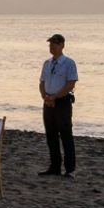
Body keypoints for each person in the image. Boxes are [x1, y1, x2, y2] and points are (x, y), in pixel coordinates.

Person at [38, 33, 78, 178]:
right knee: (51, 135)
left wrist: (56, 96)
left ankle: (70, 169)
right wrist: (45, 96)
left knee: (66, 135)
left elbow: (71, 83)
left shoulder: (68, 63)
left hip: (62, 102)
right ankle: (54, 166)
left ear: (62, 45)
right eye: (50, 44)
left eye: (55, 44)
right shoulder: (47, 63)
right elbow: (42, 82)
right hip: (48, 101)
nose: (52, 47)